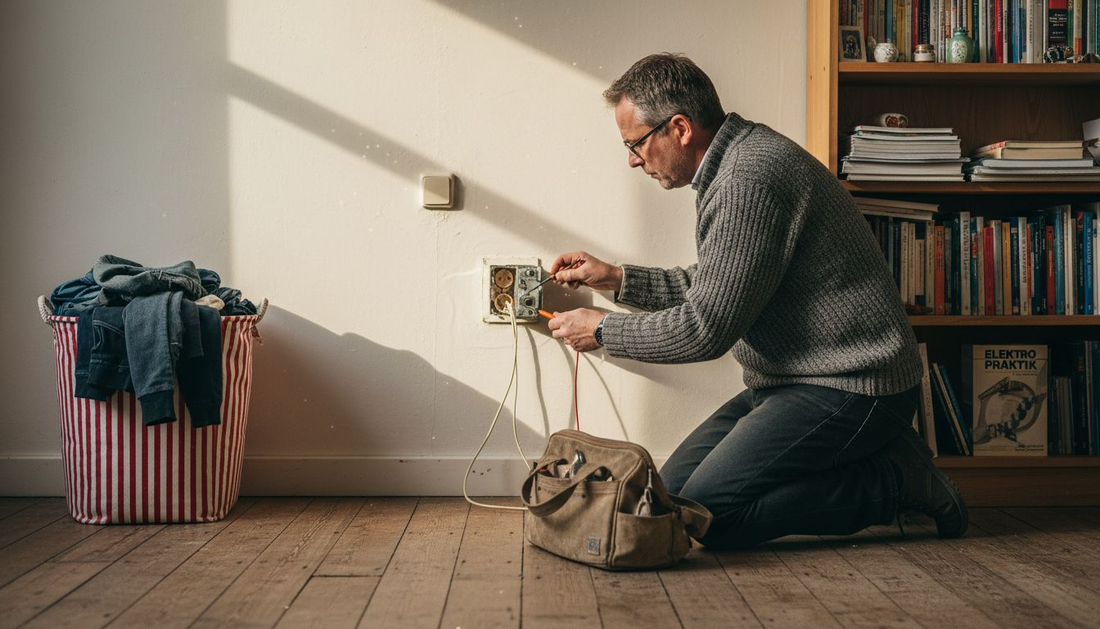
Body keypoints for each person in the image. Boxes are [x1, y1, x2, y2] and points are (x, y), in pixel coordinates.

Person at [546, 53, 967, 549]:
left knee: (707, 520)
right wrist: (617, 278)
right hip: (793, 382)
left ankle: (896, 482)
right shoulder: (733, 163)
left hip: (855, 386)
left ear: (679, 128)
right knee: (672, 501)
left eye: (636, 144)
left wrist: (601, 330)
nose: (633, 160)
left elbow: (706, 328)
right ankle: (870, 460)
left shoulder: (749, 178)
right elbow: (724, 284)